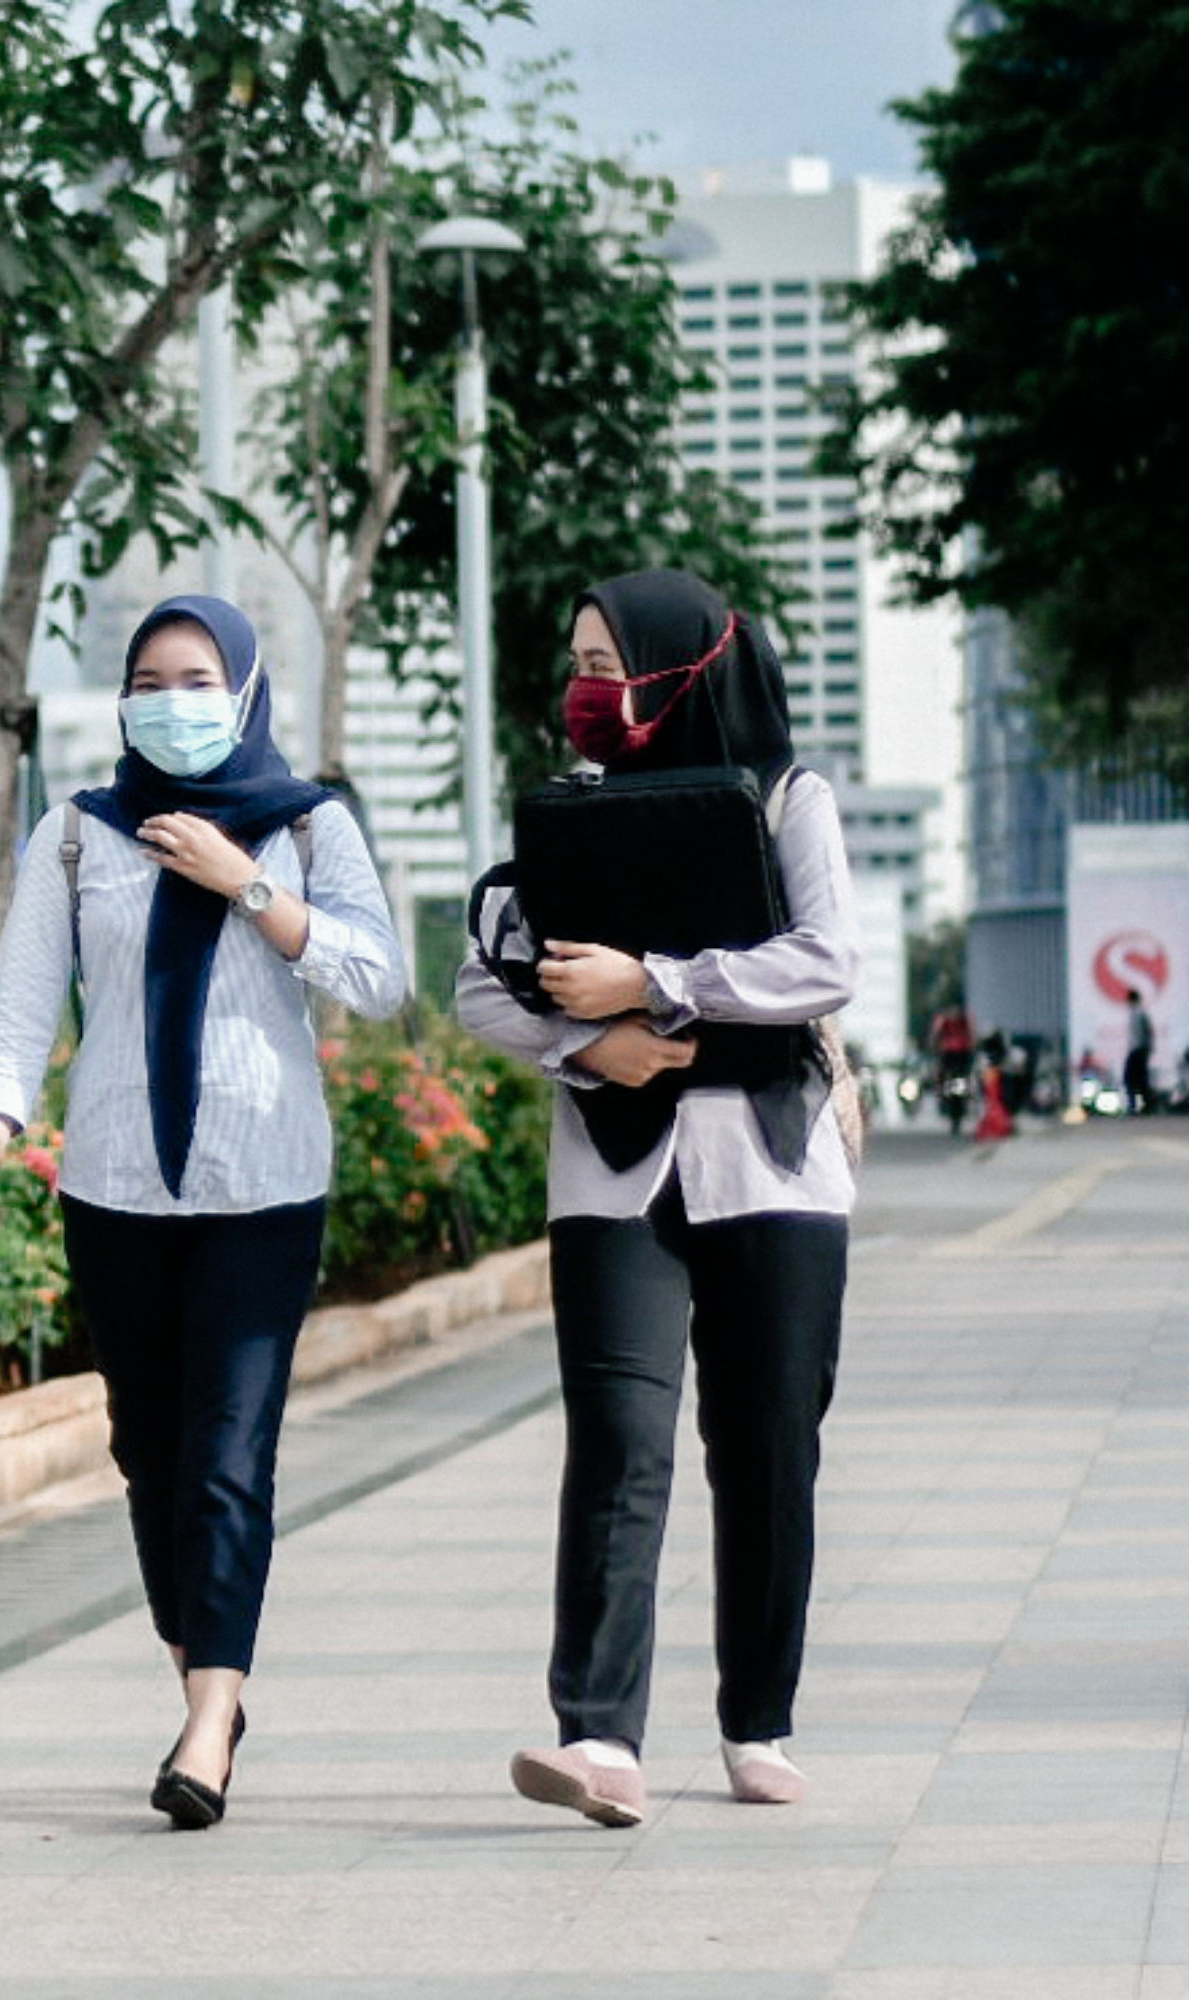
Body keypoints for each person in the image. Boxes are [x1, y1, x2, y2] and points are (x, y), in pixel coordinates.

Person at [0, 595, 405, 1829]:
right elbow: (21, 1010)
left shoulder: (309, 825)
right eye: (148, 677)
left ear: (245, 689)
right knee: (150, 1457)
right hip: (116, 1188)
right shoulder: (81, 834)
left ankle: (209, 1720)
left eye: (197, 677)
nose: (171, 698)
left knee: (226, 1458)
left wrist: (246, 882)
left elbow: (379, 973)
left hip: (265, 1189)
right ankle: (209, 1663)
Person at [456, 568, 858, 1825]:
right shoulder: (566, 818)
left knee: (768, 1446)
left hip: (775, 1166)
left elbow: (826, 958)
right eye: (575, 664)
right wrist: (591, 1046)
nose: (587, 690)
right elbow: (484, 988)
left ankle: (758, 1720)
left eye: (608, 661)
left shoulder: (791, 797)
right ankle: (599, 1739)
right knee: (617, 1442)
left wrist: (657, 981)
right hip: (612, 1171)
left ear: (688, 665)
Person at [1125, 988, 1158, 1113]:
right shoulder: (1135, 1013)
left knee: (1132, 1078)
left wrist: (1147, 1048)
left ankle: (1140, 1104)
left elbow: (1148, 1031)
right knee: (1139, 1078)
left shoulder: (1140, 1013)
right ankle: (1143, 1104)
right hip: (1137, 1049)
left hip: (1139, 1050)